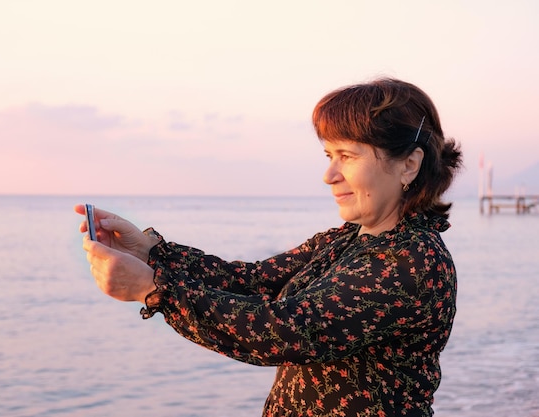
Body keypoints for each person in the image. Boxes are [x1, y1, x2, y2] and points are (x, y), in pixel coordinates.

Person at [75, 77, 463, 416]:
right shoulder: (347, 239)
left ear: (409, 165)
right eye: (329, 155)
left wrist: (154, 290)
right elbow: (252, 282)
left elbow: (285, 330)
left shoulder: (413, 261)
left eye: (346, 155)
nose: (329, 174)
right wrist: (152, 253)